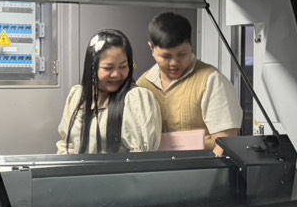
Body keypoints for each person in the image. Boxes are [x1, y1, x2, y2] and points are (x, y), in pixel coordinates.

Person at [136, 12, 243, 153]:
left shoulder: (211, 81)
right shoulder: (143, 85)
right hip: (154, 167)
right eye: (166, 56)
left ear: (191, 47)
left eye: (182, 54)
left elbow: (226, 142)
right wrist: (202, 140)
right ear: (151, 48)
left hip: (201, 166)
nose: (174, 63)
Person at [56, 29, 162, 154]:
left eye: (123, 66)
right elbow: (66, 146)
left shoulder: (136, 99)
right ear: (92, 67)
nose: (116, 74)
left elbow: (142, 156)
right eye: (108, 68)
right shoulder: (78, 96)